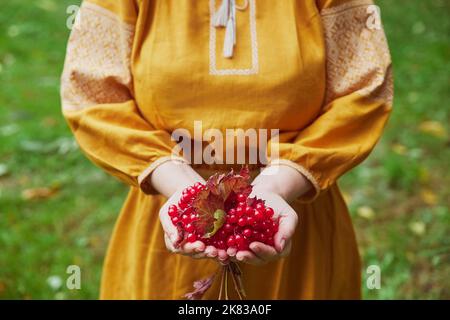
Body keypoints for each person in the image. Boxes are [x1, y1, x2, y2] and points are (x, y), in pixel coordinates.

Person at [61, 0, 393, 299]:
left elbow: (361, 90)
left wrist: (278, 183)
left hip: (291, 215)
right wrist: (184, 189)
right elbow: (94, 97)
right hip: (171, 213)